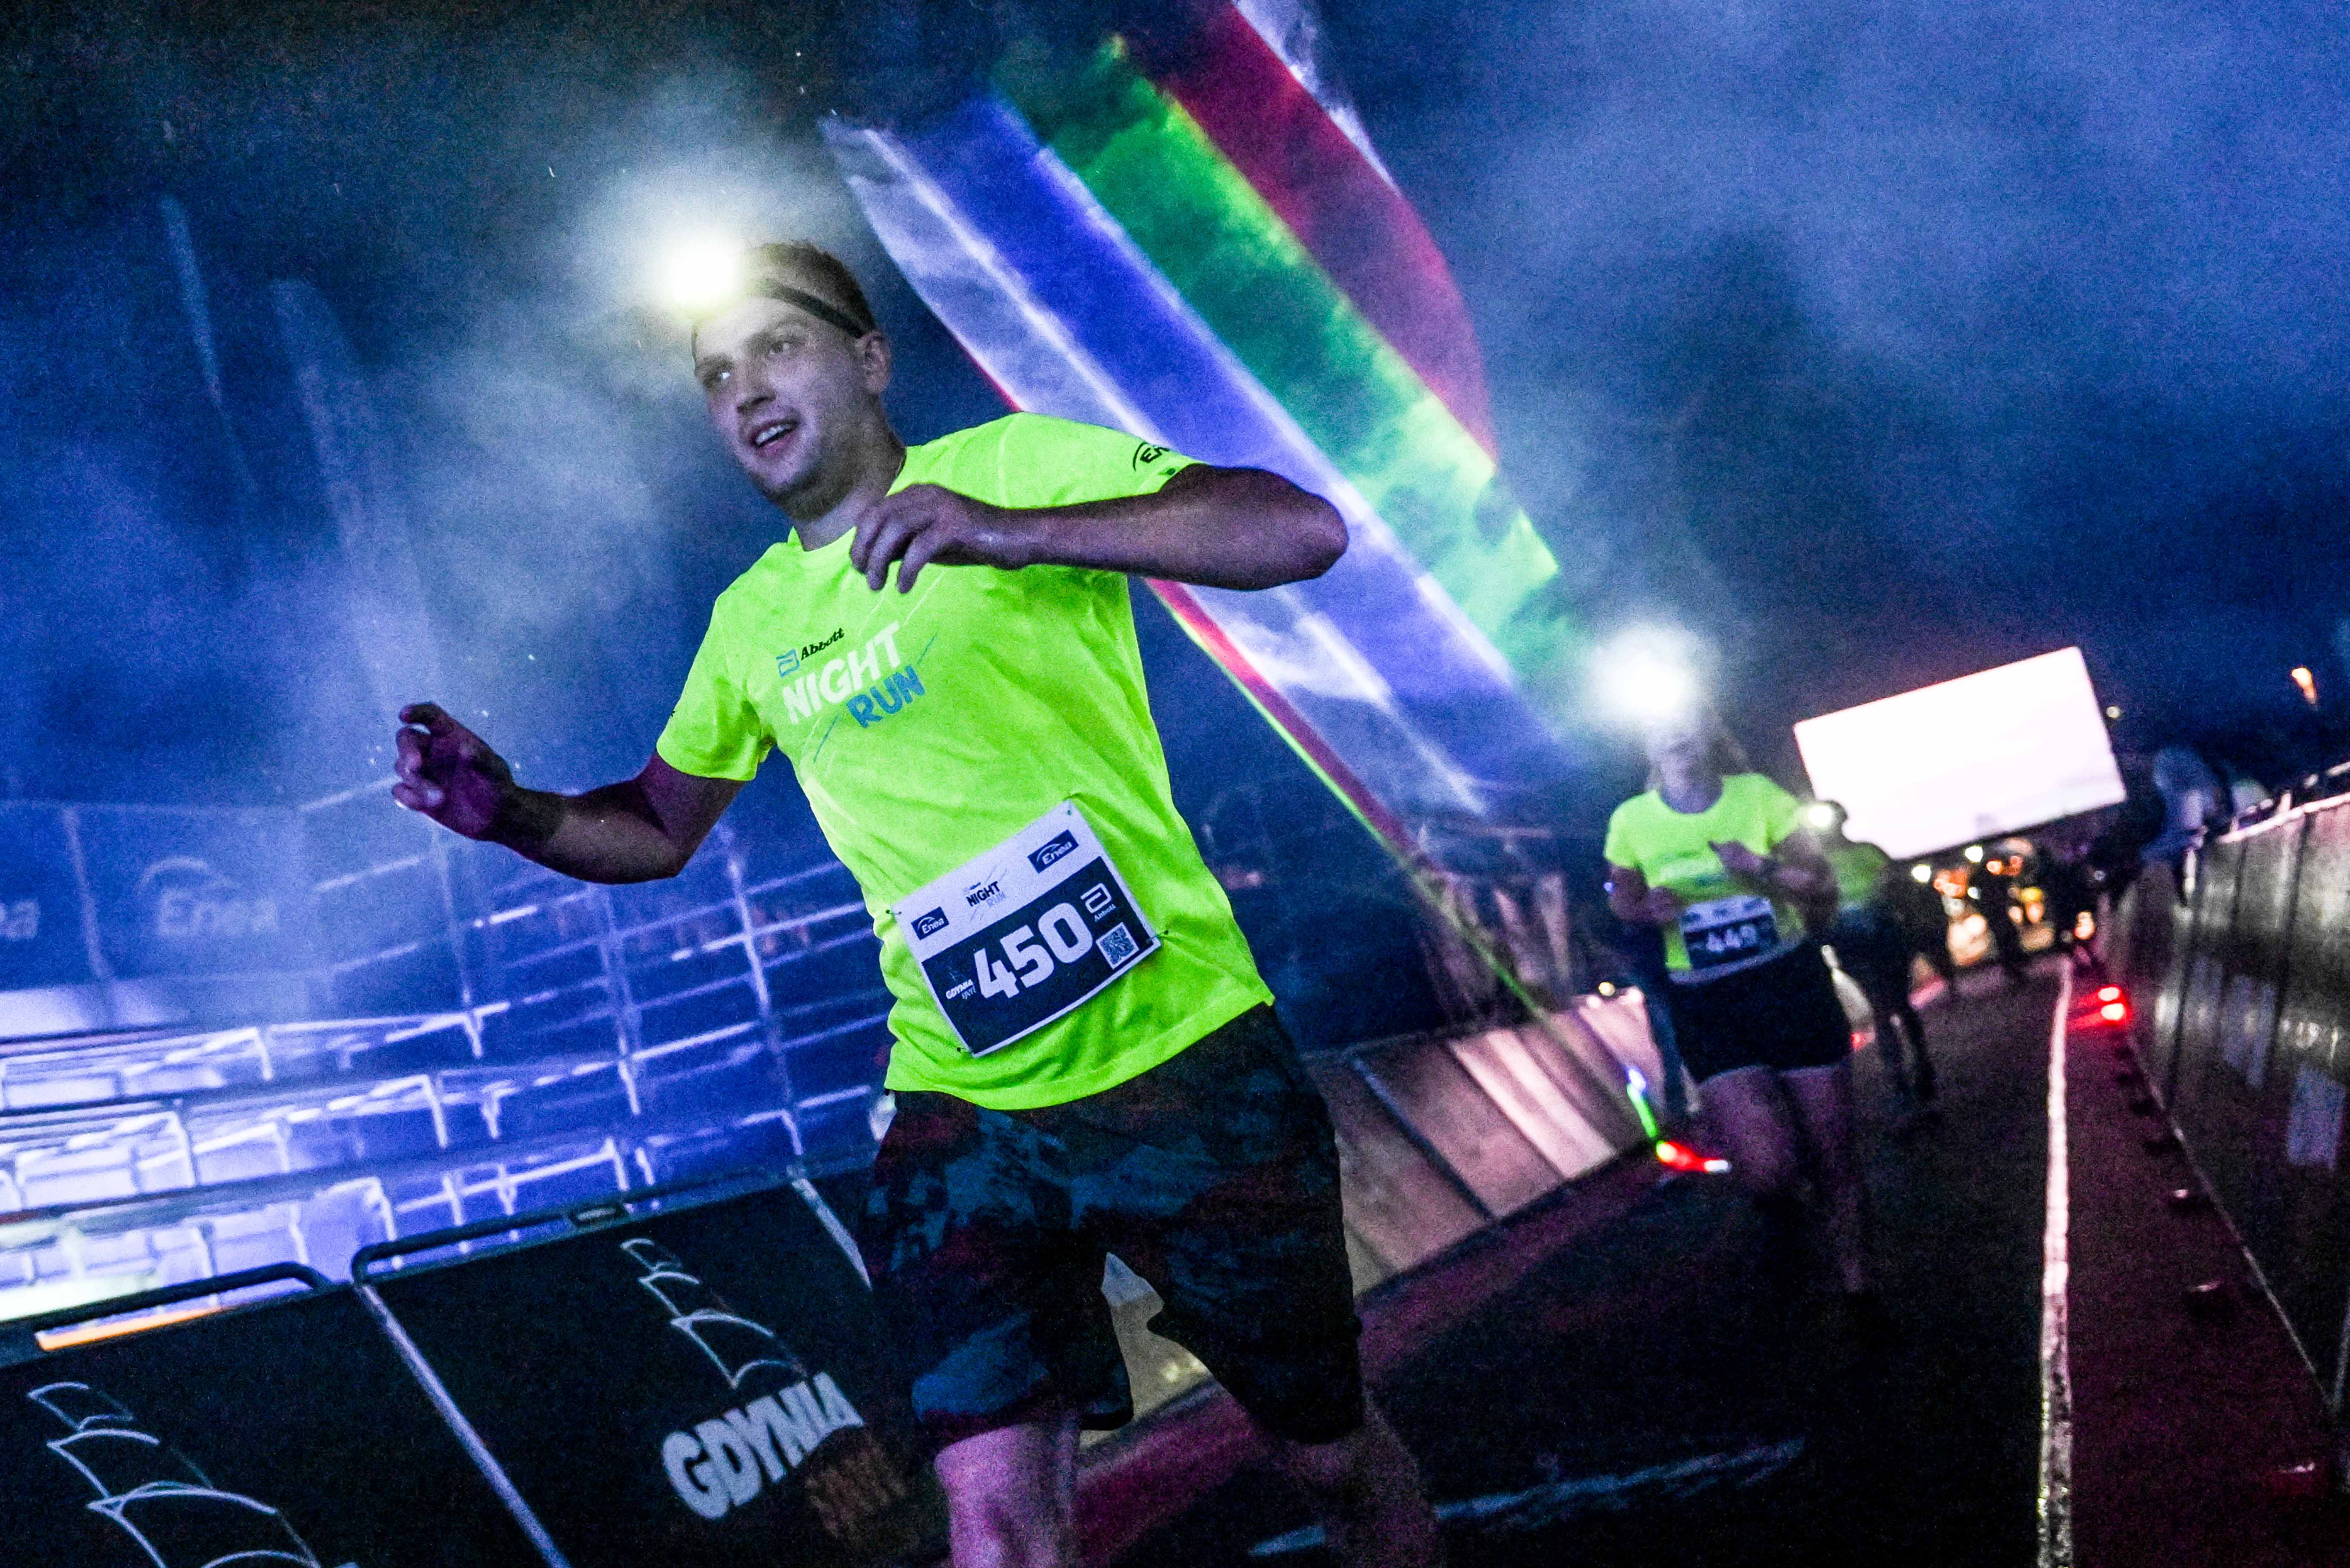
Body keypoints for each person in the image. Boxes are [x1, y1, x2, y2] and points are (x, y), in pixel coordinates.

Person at [390, 243, 1442, 1568]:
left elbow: (1296, 532)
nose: (744, 390)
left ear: (871, 359)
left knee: (1328, 1455)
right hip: (960, 1109)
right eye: (716, 375)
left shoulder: (1011, 465)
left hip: (1183, 1066)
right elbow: (656, 828)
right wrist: (511, 811)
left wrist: (1007, 531)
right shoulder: (752, 620)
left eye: (777, 347)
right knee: (992, 1530)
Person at [1602, 707, 1881, 1325]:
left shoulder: (1757, 797)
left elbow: (1817, 881)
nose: (1675, 737)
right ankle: (1785, 1214)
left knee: (1833, 1152)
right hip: (1708, 1004)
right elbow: (1621, 897)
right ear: (1648, 745)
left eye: (1685, 726)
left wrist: (1756, 866)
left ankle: (1859, 1291)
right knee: (1766, 1171)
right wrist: (1646, 908)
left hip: (1787, 985)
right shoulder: (1630, 819)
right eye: (1662, 728)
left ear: (1707, 739)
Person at [1812, 802, 1937, 1123]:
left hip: (1884, 935)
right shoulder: (1817, 864)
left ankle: (1919, 1065)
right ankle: (1900, 1081)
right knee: (1883, 1008)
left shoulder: (1868, 852)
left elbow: (1898, 886)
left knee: (1899, 1005)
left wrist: (1895, 908)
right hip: (1852, 943)